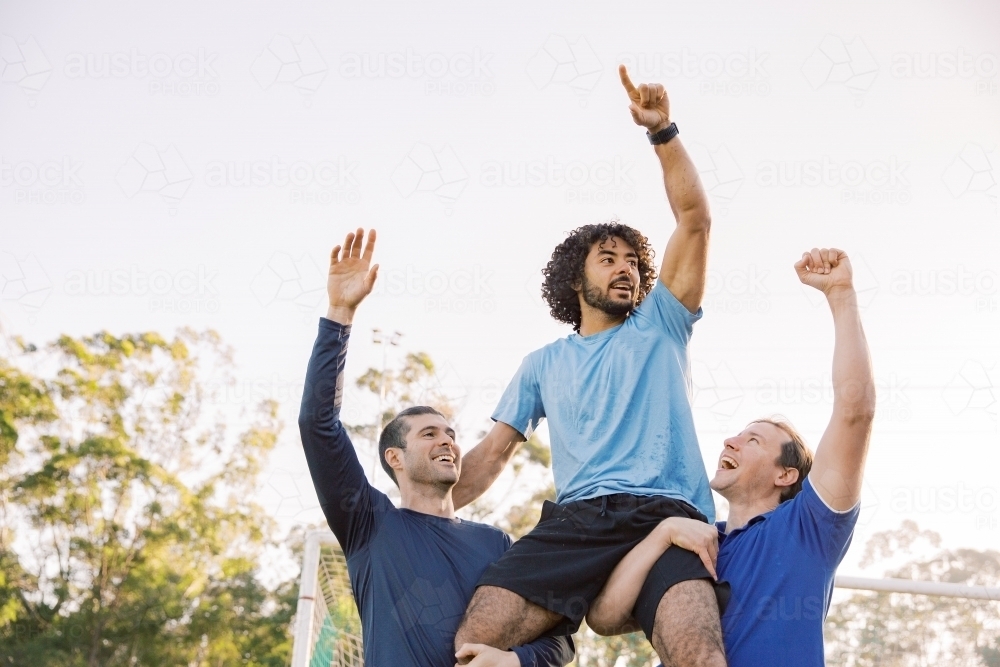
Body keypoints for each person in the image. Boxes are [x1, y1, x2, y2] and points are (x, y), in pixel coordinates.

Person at [451, 66, 727, 666]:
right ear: (577, 278)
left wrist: (663, 133)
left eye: (632, 260)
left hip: (669, 513)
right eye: (608, 259)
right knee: (473, 643)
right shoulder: (543, 364)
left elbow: (695, 221)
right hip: (578, 523)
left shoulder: (662, 323)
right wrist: (426, 509)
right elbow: (491, 456)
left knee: (700, 655)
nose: (625, 268)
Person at [585, 247, 875, 667]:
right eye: (736, 436)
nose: (730, 442)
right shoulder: (694, 541)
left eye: (753, 440)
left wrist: (841, 295)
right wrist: (663, 532)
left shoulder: (811, 527)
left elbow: (856, 411)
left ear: (785, 474)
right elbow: (604, 617)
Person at [298, 228, 574, 667]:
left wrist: (515, 661)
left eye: (450, 434)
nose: (447, 440)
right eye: (428, 434)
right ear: (395, 459)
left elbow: (557, 642)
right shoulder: (368, 524)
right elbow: (317, 424)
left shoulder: (497, 543)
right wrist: (338, 314)